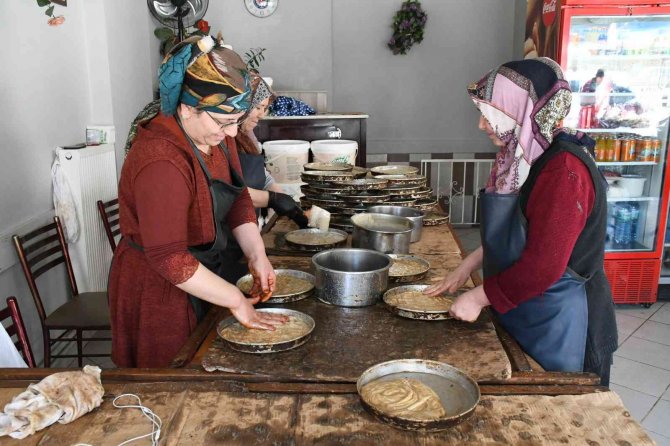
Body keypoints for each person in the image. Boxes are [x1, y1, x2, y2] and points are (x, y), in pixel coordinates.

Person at [425, 58, 618, 386]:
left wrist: (477, 297)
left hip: (563, 324)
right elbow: (520, 230)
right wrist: (467, 265)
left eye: (490, 115)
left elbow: (544, 266)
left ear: (522, 110)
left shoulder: (563, 172)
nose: (482, 126)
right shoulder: (524, 158)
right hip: (527, 309)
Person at [109, 36, 287, 368]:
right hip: (160, 292)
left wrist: (257, 255)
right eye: (224, 122)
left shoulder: (216, 135)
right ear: (188, 106)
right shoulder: (160, 159)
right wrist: (234, 298)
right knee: (171, 383)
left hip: (204, 272)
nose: (233, 133)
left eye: (236, 121)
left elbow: (237, 200)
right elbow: (169, 258)